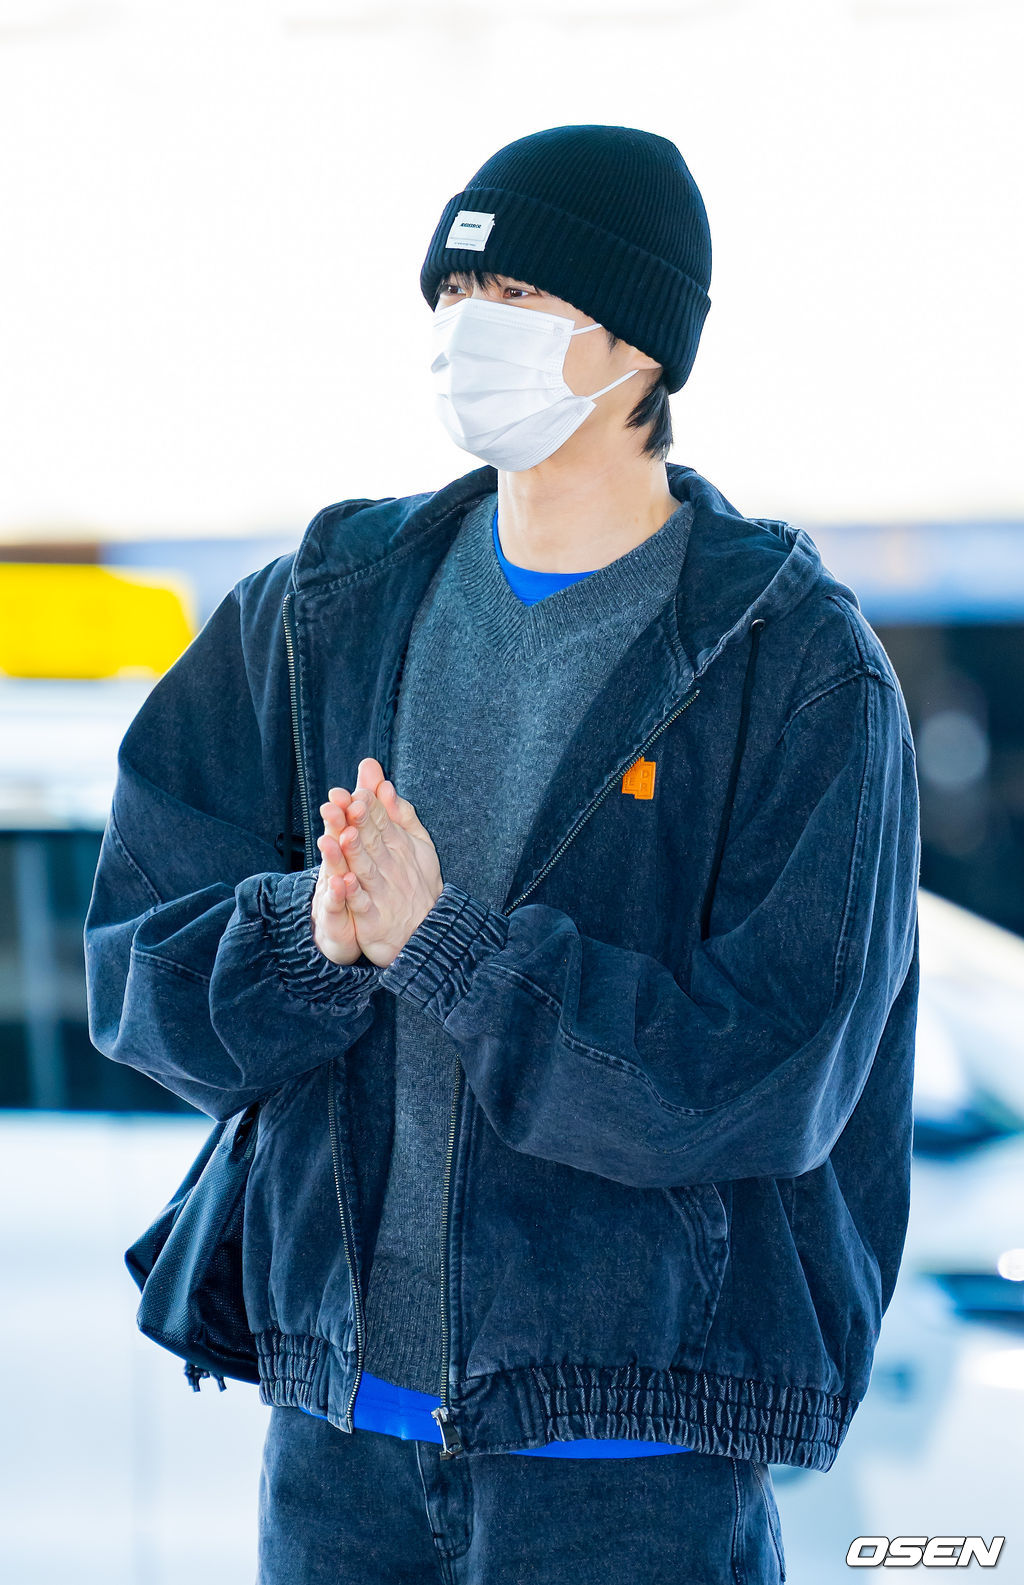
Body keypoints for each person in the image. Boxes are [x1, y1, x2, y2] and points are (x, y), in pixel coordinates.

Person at [84, 123, 921, 1584]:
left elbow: (768, 1074)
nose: (473, 329)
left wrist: (452, 952)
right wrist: (309, 939)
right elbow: (136, 971)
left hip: (628, 1473)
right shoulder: (318, 613)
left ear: (640, 344)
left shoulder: (793, 668)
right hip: (337, 1450)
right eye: (456, 294)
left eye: (520, 296)